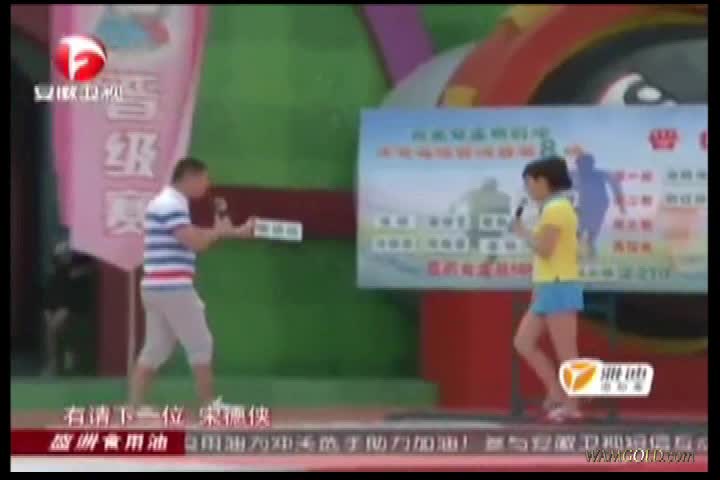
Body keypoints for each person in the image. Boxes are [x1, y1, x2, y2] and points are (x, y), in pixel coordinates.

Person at [128, 157, 255, 410]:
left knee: (156, 349)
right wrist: (222, 232)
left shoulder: (170, 203)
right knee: (200, 343)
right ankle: (209, 405)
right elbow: (195, 242)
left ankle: (135, 406)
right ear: (189, 177)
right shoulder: (170, 204)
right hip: (173, 286)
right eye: (204, 179)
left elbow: (195, 235)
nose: (207, 185)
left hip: (156, 286)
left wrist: (231, 232)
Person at [511, 156, 583, 422]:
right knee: (523, 342)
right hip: (547, 285)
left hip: (559, 285)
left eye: (529, 182)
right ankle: (555, 391)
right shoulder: (552, 208)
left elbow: (545, 249)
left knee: (567, 351)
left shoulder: (557, 209)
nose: (528, 189)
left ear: (542, 181)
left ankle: (572, 406)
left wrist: (523, 232)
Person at [43, 241, 96, 376]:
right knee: (52, 328)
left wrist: (62, 311)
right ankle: (56, 362)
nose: (63, 258)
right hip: (58, 308)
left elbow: (73, 299)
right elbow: (49, 297)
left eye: (65, 255)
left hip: (75, 308)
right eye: (60, 256)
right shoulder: (56, 275)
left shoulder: (81, 270)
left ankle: (61, 361)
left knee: (56, 327)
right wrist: (49, 313)